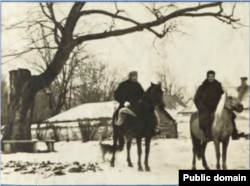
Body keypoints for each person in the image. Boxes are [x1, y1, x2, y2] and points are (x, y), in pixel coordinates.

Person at [194, 70, 243, 141]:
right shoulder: (202, 87)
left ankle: (234, 133)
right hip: (206, 108)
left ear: (214, 77)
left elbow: (223, 96)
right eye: (209, 76)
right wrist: (201, 107)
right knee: (206, 118)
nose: (211, 78)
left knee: (231, 115)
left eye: (212, 76)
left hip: (217, 106)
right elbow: (197, 98)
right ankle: (207, 134)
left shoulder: (218, 85)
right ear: (207, 77)